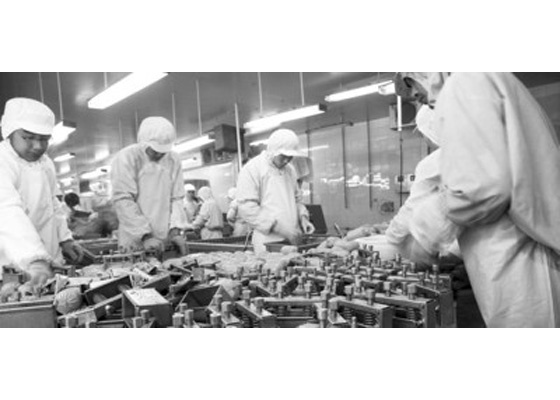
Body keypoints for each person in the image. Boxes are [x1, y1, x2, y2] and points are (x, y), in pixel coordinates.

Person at [395, 72, 560, 328]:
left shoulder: (466, 82)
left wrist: (424, 235)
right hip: (520, 256)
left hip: (522, 265)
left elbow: (480, 187)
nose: (414, 94)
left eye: (411, 81)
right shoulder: (480, 80)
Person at [0, 98, 89, 290]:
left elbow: (53, 205)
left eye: (44, 139)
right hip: (10, 265)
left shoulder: (46, 164)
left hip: (47, 262)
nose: (38, 146)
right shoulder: (3, 161)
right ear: (9, 131)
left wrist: (65, 239)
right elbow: (6, 211)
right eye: (28, 137)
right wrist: (34, 259)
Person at [385, 105, 461, 265]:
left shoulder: (436, 161)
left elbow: (412, 207)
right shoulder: (472, 153)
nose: (424, 139)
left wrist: (391, 237)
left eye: (422, 134)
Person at [110, 116, 189, 257]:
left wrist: (175, 231)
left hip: (164, 239)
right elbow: (123, 200)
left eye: (163, 151)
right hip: (134, 240)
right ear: (143, 143)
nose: (159, 154)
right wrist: (145, 236)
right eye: (154, 150)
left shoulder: (173, 159)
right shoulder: (127, 157)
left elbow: (177, 198)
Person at [236, 128, 315, 253]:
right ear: (273, 151)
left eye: (290, 157)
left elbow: (296, 200)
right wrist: (279, 228)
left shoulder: (290, 170)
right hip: (268, 242)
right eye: (283, 156)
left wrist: (303, 217)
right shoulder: (252, 169)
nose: (287, 160)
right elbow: (247, 208)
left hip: (292, 239)